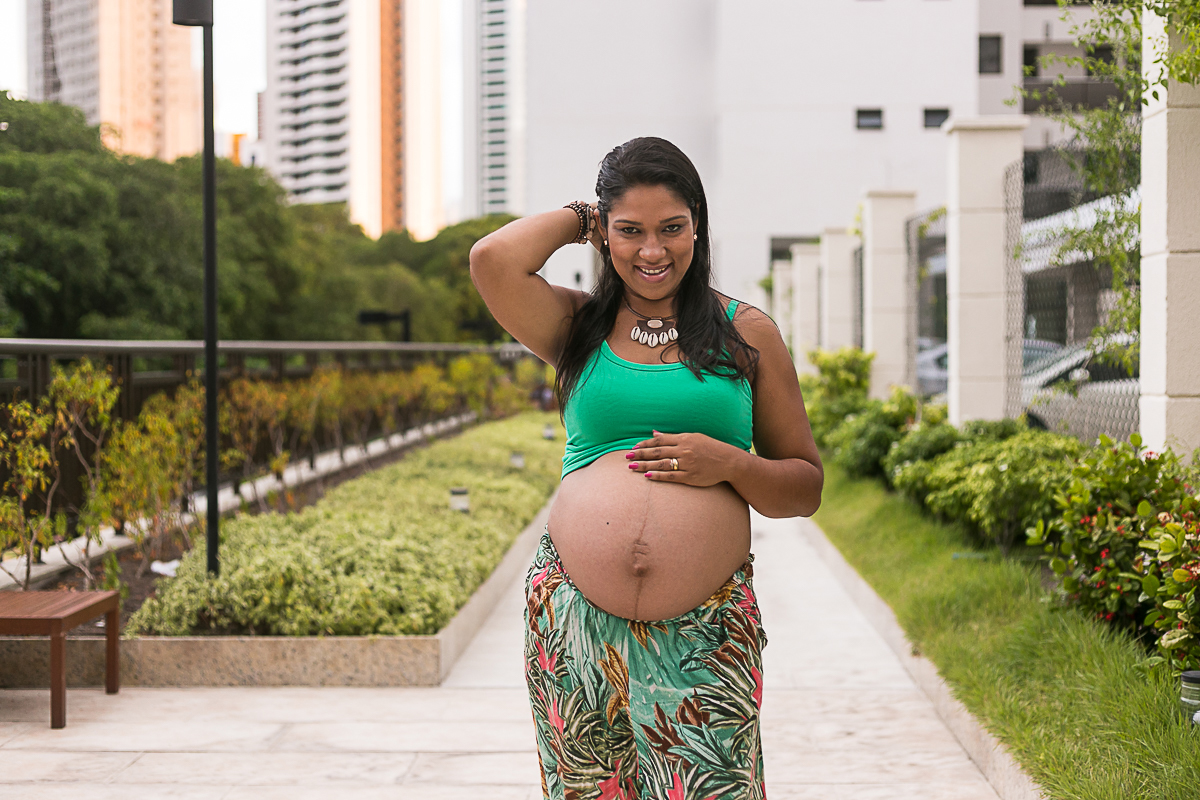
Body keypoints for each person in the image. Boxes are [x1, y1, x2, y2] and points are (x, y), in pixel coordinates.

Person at [470, 137, 822, 800]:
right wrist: (582, 217)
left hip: (705, 630)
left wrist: (728, 463)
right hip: (572, 619)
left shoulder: (746, 333)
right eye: (629, 231)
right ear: (604, 235)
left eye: (671, 229)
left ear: (699, 226)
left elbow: (803, 487)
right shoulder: (575, 325)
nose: (652, 251)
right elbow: (491, 260)